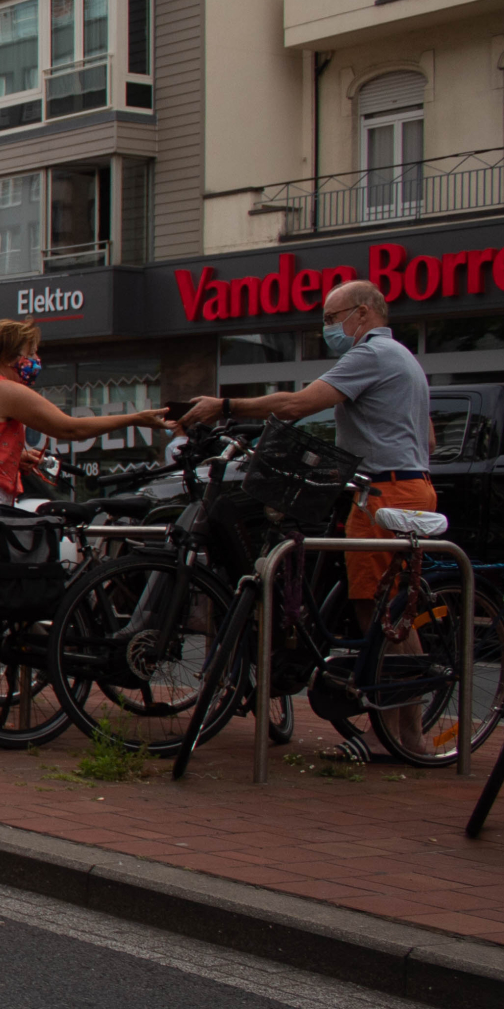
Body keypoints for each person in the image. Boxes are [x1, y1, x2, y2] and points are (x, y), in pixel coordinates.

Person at [179, 279, 434, 760]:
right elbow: (429, 438)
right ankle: (400, 734)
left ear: (362, 314)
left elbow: (297, 404)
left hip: (386, 493)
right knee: (385, 610)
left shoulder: (370, 354)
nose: (327, 328)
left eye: (331, 318)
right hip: (405, 485)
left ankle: (407, 740)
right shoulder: (405, 358)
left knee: (387, 615)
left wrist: (225, 406)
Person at [0, 318, 173, 738]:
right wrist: (134, 419)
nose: (36, 360)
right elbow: (68, 428)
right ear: (10, 356)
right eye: (31, 352)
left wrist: (15, 457)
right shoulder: (4, 388)